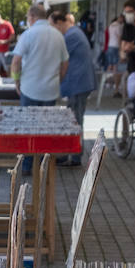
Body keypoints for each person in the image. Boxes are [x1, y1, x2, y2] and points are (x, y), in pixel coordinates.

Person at [12, 3, 69, 173]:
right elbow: (65, 63)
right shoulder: (58, 35)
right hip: (50, 90)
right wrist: (59, 80)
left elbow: (16, 61)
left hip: (29, 88)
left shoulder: (28, 34)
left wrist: (16, 81)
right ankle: (44, 166)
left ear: (32, 17)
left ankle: (27, 165)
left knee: (28, 129)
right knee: (45, 129)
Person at [55, 11, 97, 166]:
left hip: (78, 84)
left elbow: (58, 57)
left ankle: (75, 156)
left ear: (60, 23)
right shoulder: (74, 33)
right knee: (73, 119)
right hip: (79, 84)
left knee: (75, 120)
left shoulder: (71, 36)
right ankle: (70, 153)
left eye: (53, 26)